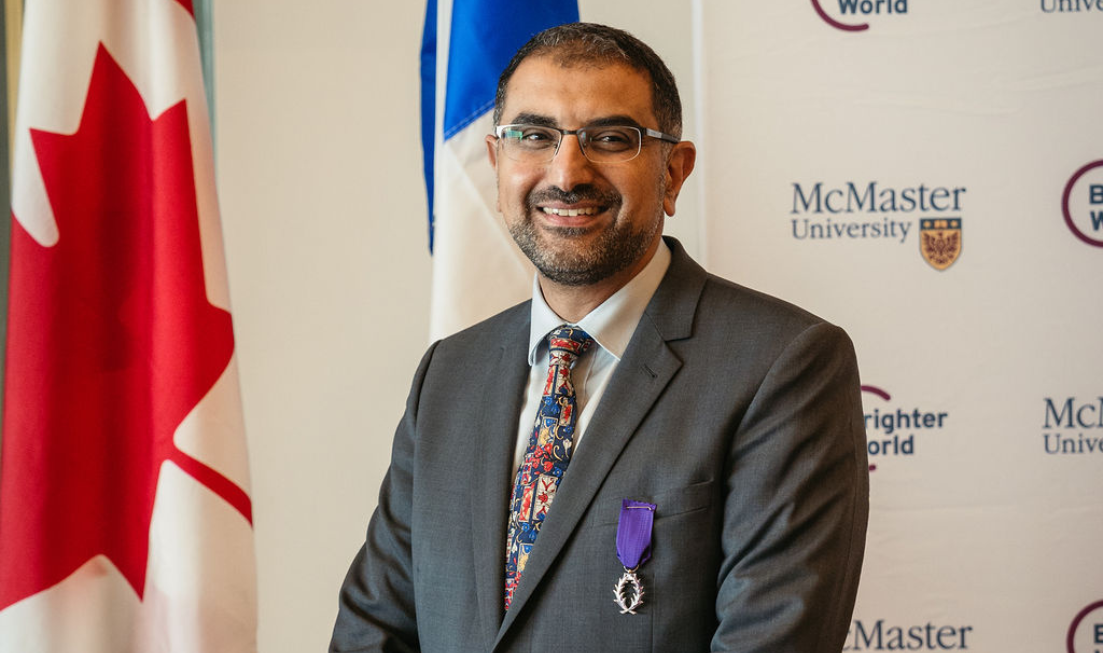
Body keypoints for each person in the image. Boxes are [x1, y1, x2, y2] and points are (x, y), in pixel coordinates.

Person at [330, 22, 868, 653]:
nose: (567, 173)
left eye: (610, 139)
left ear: (673, 172)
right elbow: (375, 631)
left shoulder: (783, 366)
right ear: (497, 160)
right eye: (534, 136)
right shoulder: (449, 372)